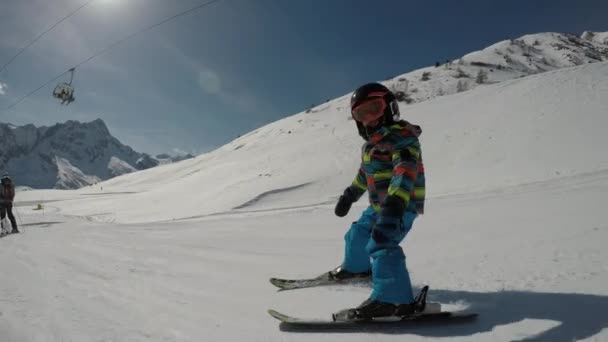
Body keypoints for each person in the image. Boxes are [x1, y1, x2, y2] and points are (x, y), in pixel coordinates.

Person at [330, 82, 425, 319]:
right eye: (362, 114)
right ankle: (357, 268)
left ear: (389, 107)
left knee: (381, 242)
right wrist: (349, 196)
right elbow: (365, 175)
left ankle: (393, 301)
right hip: (378, 206)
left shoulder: (403, 139)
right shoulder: (369, 147)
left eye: (375, 108)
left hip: (400, 205)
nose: (370, 118)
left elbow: (405, 172)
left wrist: (394, 208)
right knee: (357, 233)